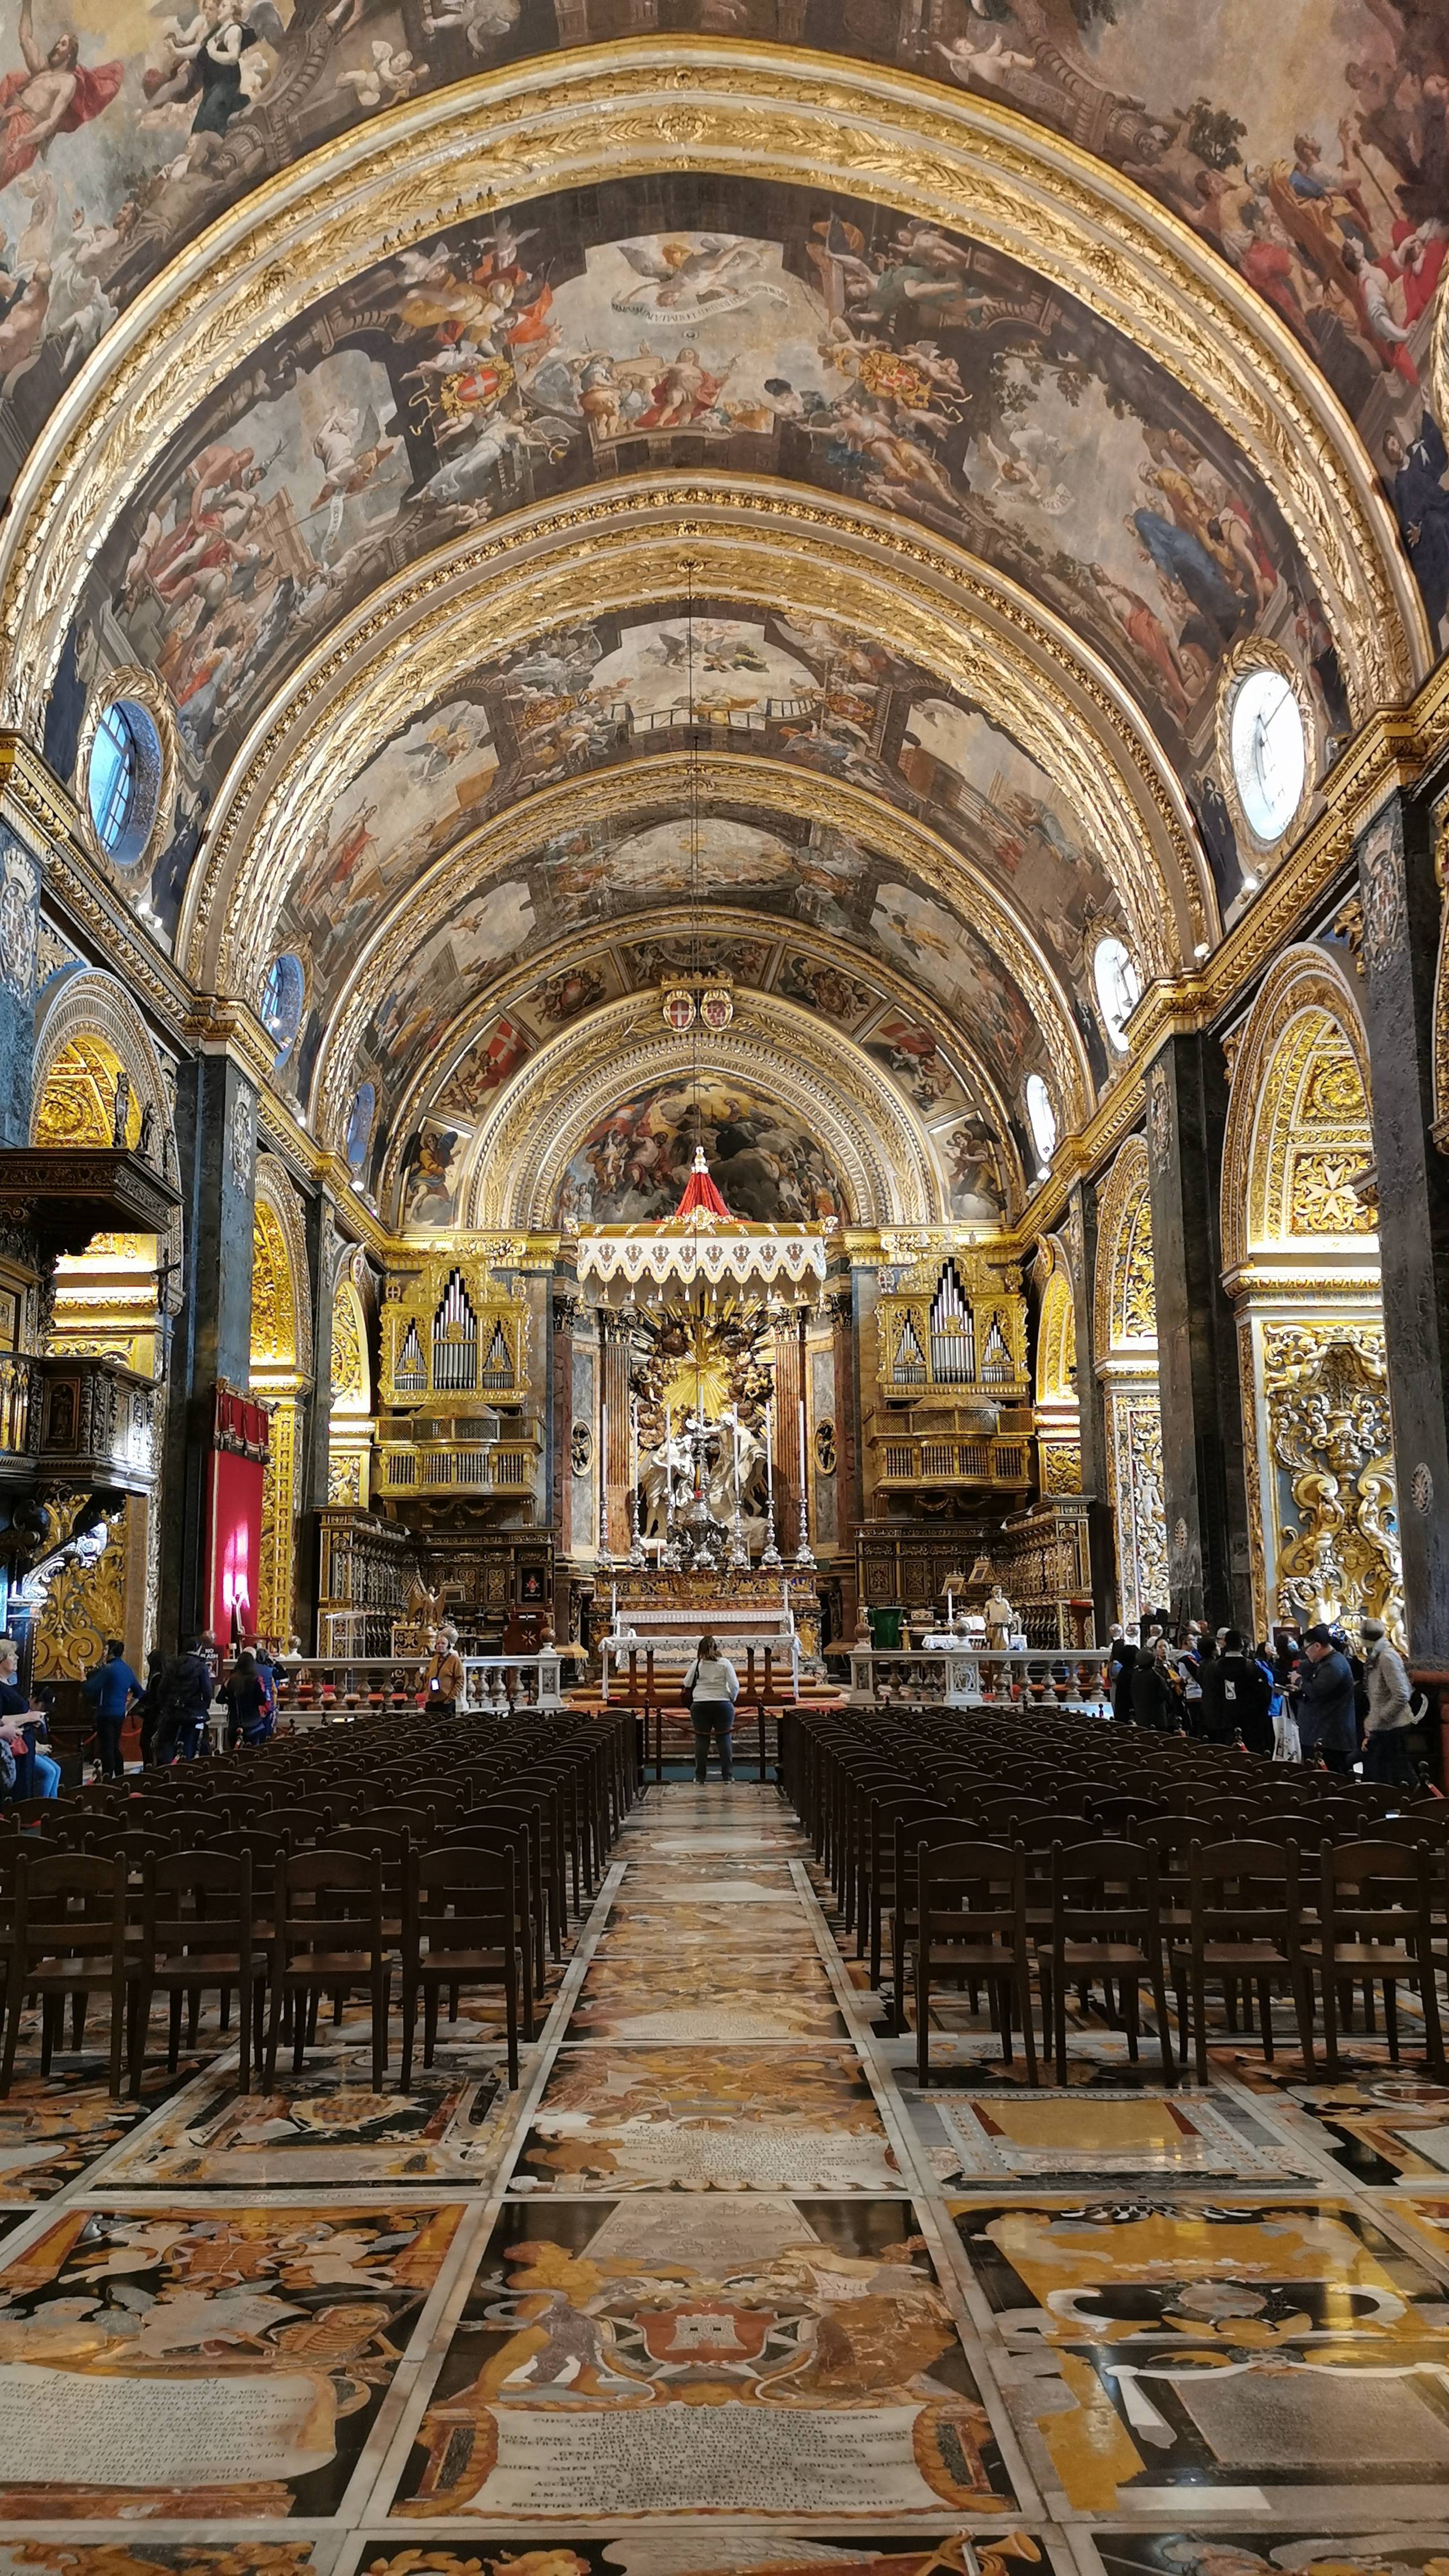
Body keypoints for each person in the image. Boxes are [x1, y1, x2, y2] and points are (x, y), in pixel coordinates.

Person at [1295, 1622, 1357, 1774]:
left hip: (1331, 1737)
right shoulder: (1326, 1662)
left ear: (1317, 1646)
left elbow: (1317, 1690)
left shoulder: (1334, 1664)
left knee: (1332, 1780)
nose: (1306, 1654)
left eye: (1306, 1649)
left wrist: (1299, 1681)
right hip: (1322, 1734)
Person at [1361, 1616, 1417, 1785]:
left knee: (1392, 1779)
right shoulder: (1378, 1655)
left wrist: (1380, 1718)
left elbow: (1401, 1694)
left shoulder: (1387, 1656)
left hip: (1393, 1727)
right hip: (1383, 1727)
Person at [1200, 1628, 1273, 1753]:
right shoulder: (1252, 1668)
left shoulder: (1213, 1668)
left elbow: (1209, 1697)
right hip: (1249, 1723)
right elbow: (1264, 1696)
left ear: (1226, 1645)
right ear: (1242, 1646)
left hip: (1222, 1723)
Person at [0, 1643, 58, 1796]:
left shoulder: (11, 1683)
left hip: (25, 1743)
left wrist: (31, 1720)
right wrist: (28, 1717)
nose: (17, 1658)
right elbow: (2, 1719)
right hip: (11, 1747)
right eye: (12, 1655)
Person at [81, 1637, 142, 1781]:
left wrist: (82, 1674)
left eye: (106, 1649)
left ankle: (108, 1779)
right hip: (119, 1713)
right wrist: (126, 1709)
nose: (103, 1652)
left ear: (111, 1652)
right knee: (115, 1745)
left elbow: (89, 1688)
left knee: (107, 1747)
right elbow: (139, 1692)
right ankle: (120, 1776)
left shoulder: (108, 1669)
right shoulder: (127, 1669)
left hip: (106, 1713)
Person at [683, 1630, 738, 1782]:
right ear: (716, 1647)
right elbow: (734, 1685)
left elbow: (687, 1683)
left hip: (700, 1703)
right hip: (722, 1703)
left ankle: (700, 1776)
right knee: (724, 1738)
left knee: (701, 1739)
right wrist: (731, 1699)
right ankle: (727, 1776)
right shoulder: (725, 1663)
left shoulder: (697, 1664)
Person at [155, 1635, 214, 1764]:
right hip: (193, 1713)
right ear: (198, 1649)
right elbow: (208, 1692)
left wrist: (166, 1706)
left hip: (172, 1712)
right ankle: (185, 1771)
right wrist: (203, 1707)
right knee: (190, 1744)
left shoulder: (171, 1665)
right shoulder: (201, 1667)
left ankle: (167, 1772)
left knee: (169, 1743)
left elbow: (162, 1689)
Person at [1131, 1635, 1182, 1733]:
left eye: (1165, 1646)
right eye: (1160, 1647)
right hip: (1159, 1715)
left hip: (1143, 1716)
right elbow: (1165, 1693)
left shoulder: (1136, 1674)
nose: (1163, 1649)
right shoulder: (1154, 1674)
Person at [223, 1648, 271, 1749]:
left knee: (233, 1753)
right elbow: (262, 1701)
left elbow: (219, 1699)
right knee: (252, 1753)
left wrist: (231, 1701)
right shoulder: (255, 1680)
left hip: (235, 1722)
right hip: (253, 1723)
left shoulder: (231, 1681)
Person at [133, 1645, 168, 1765]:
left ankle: (149, 1767)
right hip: (159, 1715)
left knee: (147, 1743)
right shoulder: (163, 1676)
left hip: (154, 1716)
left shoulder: (157, 1677)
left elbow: (156, 1699)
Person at [420, 1624, 464, 1717]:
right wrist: (427, 1694)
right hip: (432, 1701)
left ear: (448, 1646)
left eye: (443, 1644)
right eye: (438, 1643)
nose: (440, 1646)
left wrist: (451, 1698)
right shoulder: (434, 1659)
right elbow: (428, 1677)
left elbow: (460, 1681)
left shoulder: (454, 1660)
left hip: (446, 1702)